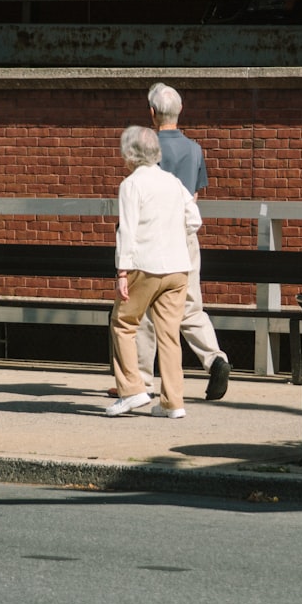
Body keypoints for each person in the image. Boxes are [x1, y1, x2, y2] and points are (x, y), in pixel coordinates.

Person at [115, 82, 233, 401]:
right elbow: (194, 196)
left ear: (152, 113)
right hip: (185, 236)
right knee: (191, 305)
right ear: (180, 112)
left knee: (145, 312)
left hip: (153, 237)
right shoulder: (194, 149)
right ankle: (215, 358)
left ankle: (141, 380)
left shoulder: (147, 147)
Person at [105, 125, 201, 419]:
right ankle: (173, 403)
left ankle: (132, 390)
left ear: (129, 155)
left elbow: (128, 230)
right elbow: (194, 220)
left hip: (144, 266)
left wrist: (122, 272)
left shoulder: (131, 185)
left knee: (122, 323)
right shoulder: (173, 182)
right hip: (177, 267)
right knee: (170, 335)